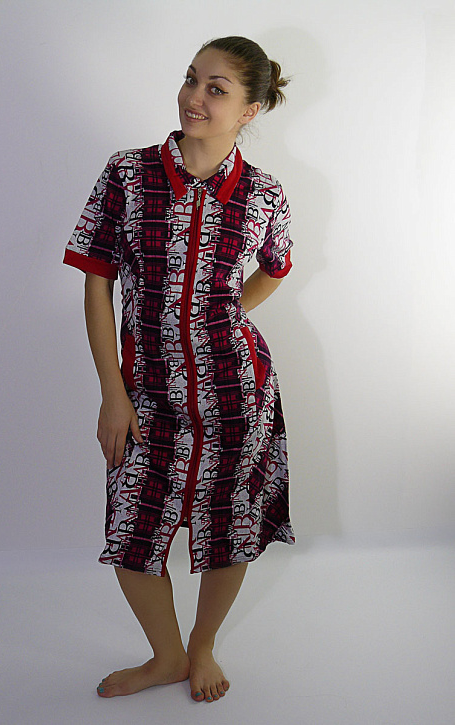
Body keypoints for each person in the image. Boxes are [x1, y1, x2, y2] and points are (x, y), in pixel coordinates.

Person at [63, 35, 295, 704]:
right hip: (145, 392)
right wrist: (112, 392)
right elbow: (97, 282)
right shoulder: (128, 174)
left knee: (229, 530)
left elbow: (277, 268)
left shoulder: (264, 193)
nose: (194, 96)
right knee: (133, 534)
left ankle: (202, 645)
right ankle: (166, 655)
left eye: (216, 89)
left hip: (236, 390)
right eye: (192, 79)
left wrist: (221, 313)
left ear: (249, 110)